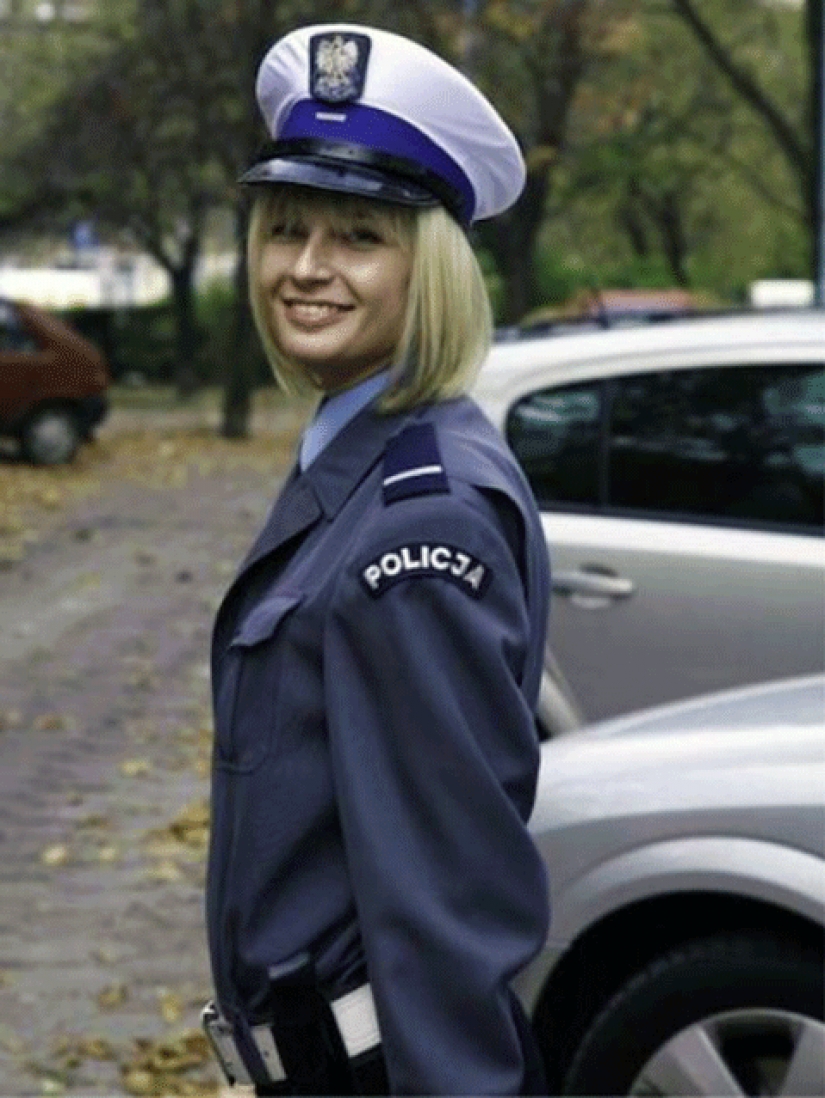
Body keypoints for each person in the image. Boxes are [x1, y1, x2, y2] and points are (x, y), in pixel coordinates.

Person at [204, 22, 551, 1097]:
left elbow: (446, 900)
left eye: (358, 236)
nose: (307, 268)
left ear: (429, 270)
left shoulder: (418, 517)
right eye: (287, 228)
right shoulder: (366, 454)